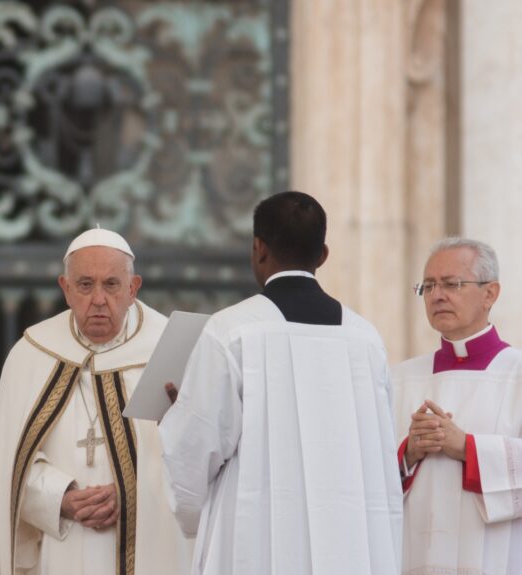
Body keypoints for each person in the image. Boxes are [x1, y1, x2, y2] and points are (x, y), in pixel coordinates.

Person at [158, 191, 403, 574]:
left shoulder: (232, 331)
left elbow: (196, 445)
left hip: (255, 541)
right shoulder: (366, 339)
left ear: (258, 249)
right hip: (350, 541)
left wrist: (178, 417)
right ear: (323, 254)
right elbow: (383, 448)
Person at [0, 228, 193, 575]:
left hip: (148, 551)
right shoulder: (30, 355)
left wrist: (131, 492)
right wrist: (59, 498)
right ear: (65, 289)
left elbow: (199, 462)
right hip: (61, 550)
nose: (98, 299)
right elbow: (3, 464)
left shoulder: (169, 351)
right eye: (84, 285)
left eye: (111, 284)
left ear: (133, 288)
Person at [393, 237, 522, 574]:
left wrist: (467, 448)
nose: (437, 295)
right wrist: (408, 455)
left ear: (490, 293)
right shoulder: (400, 379)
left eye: (452, 284)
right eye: (429, 285)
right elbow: (366, 477)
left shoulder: (517, 374)